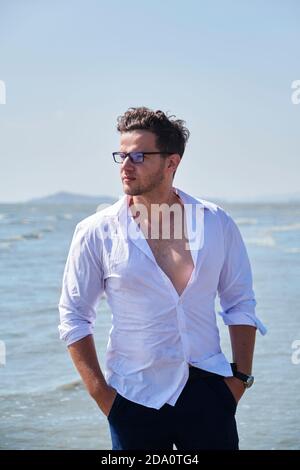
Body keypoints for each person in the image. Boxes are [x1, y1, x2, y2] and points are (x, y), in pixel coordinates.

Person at [58, 107, 266, 450]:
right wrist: (103, 397)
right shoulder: (96, 231)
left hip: (209, 389)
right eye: (121, 155)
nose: (126, 165)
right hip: (133, 396)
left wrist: (239, 379)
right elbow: (74, 315)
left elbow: (239, 301)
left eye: (139, 155)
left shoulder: (215, 222)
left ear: (172, 163)